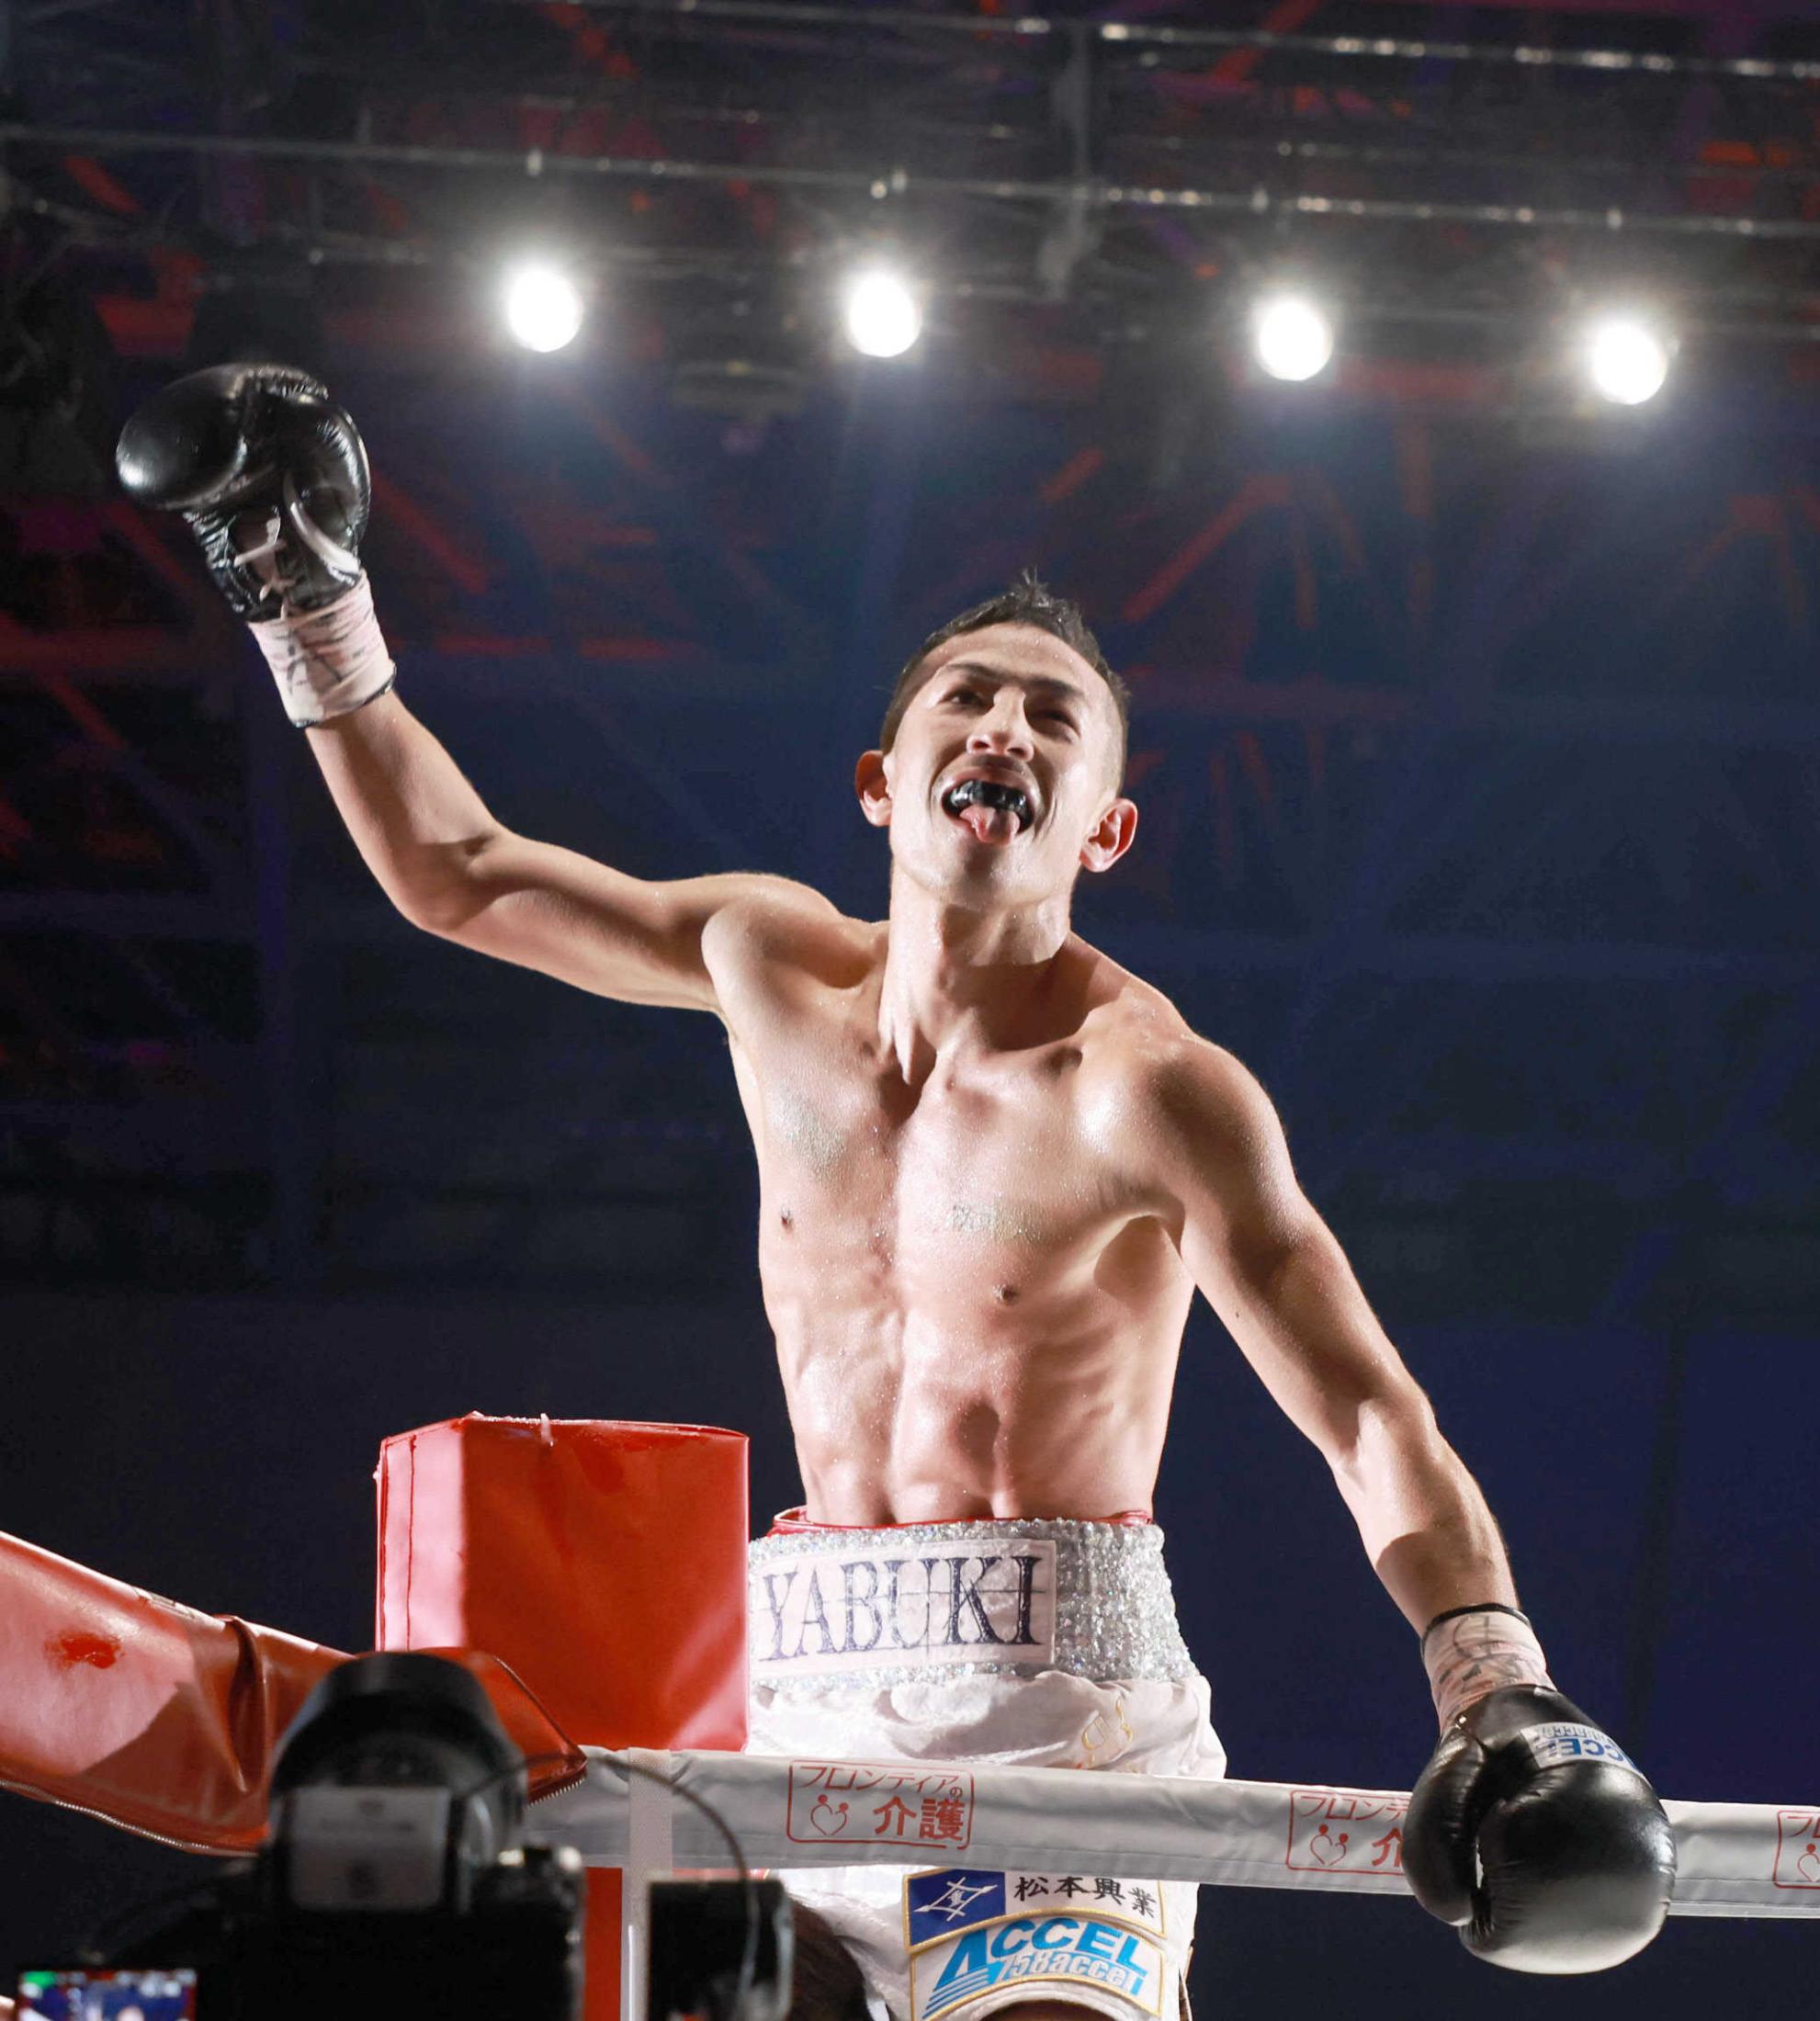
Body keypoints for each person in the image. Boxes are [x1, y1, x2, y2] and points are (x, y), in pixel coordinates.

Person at [114, 366, 1674, 2021]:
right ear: (881, 782)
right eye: (970, 699)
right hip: (802, 1693)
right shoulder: (765, 967)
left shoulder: (1151, 1088)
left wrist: (1496, 1686)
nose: (1005, 727)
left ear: (1104, 829)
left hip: (1060, 1721)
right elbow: (462, 875)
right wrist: (311, 608)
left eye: (1052, 717)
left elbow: (1365, 1413)